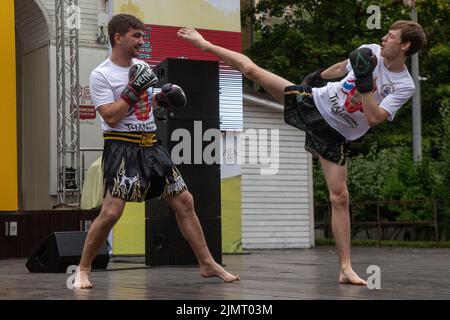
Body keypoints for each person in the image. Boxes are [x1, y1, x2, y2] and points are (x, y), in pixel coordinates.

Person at [177, 20, 426, 285]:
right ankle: (205, 44)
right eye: (386, 34)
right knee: (252, 70)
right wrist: (318, 76)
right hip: (314, 103)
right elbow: (342, 67)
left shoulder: (404, 85)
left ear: (405, 45)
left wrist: (365, 84)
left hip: (338, 134)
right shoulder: (370, 50)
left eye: (391, 36)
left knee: (340, 197)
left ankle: (345, 268)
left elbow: (375, 118)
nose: (384, 39)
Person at [74, 14, 240, 289]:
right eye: (136, 36)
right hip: (122, 145)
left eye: (143, 35)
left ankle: (207, 263)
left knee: (184, 200)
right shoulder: (101, 74)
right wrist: (132, 89)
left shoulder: (141, 66)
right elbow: (111, 117)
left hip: (151, 144)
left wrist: (162, 96)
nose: (142, 41)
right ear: (118, 37)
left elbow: (145, 102)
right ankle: (83, 268)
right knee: (112, 211)